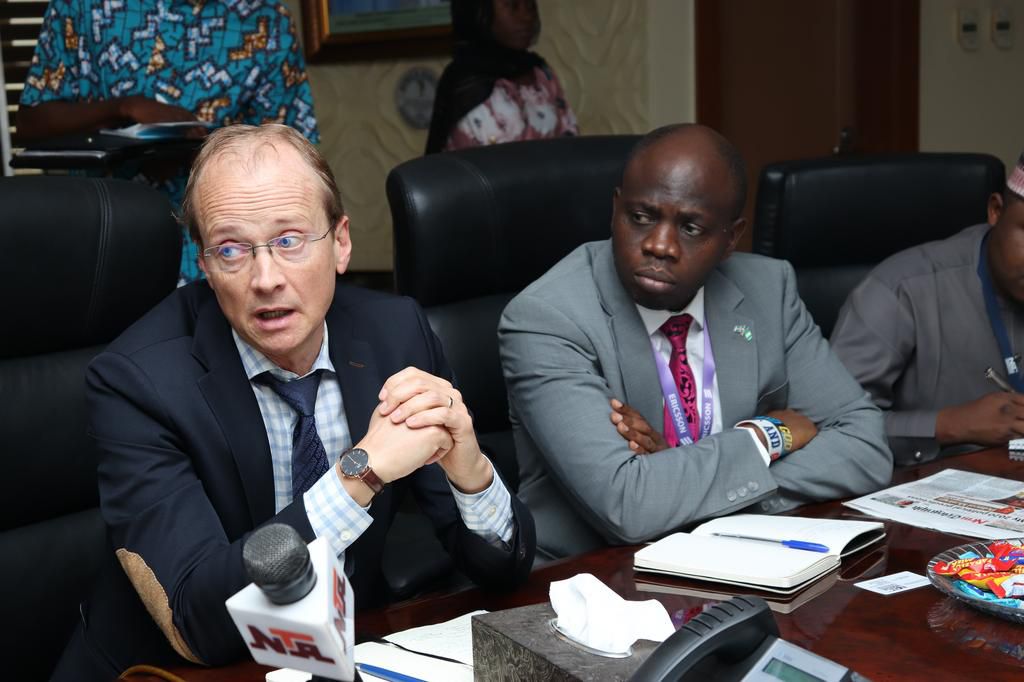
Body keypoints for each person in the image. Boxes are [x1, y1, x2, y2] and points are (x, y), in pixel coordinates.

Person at [52, 124, 534, 680]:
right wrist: (360, 474)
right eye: (231, 249)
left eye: (289, 240)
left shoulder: (394, 334)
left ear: (342, 242)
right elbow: (200, 622)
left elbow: (502, 570)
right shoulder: (137, 382)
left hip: (337, 662)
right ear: (204, 266)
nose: (266, 278)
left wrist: (469, 469)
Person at [498, 124, 892, 559]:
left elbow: (866, 446)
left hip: (744, 558)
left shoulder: (768, 290)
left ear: (730, 239)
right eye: (641, 217)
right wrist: (766, 437)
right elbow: (629, 504)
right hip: (595, 579)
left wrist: (689, 482)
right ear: (615, 210)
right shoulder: (547, 317)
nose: (659, 245)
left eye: (690, 228)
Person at [17, 0, 320, 285]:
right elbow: (32, 124)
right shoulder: (82, 5)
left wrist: (195, 153)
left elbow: (290, 158)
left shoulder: (267, 20)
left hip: (211, 253)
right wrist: (123, 108)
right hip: (96, 245)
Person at [830, 152, 1024, 466]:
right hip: (917, 491)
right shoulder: (900, 288)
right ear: (996, 210)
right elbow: (831, 427)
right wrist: (949, 425)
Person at [423, 0, 577, 154]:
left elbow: (570, 139)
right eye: (512, 5)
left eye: (530, 6)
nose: (526, 17)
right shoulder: (464, 82)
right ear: (479, 13)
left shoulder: (541, 73)